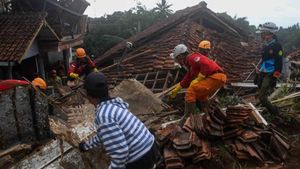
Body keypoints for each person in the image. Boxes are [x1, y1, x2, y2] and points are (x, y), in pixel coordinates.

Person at [79, 72, 160, 169]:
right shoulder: (114, 105)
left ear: (88, 95)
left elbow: (120, 153)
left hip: (140, 157)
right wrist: (86, 145)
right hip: (150, 147)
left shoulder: (104, 116)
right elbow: (104, 133)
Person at [169, 44, 227, 125]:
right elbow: (188, 77)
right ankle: (208, 115)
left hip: (216, 76)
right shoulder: (190, 65)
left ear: (180, 56)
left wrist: (200, 77)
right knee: (201, 96)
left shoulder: (191, 58)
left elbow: (205, 64)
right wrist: (178, 88)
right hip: (217, 77)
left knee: (191, 91)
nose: (177, 62)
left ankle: (189, 119)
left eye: (177, 59)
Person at [255, 22, 283, 115]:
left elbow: (279, 62)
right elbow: (264, 60)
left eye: (263, 33)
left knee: (262, 96)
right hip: (263, 71)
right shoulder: (266, 45)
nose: (262, 35)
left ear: (270, 34)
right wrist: (259, 68)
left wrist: (275, 76)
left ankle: (275, 112)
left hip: (270, 73)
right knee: (260, 91)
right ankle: (263, 108)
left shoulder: (277, 46)